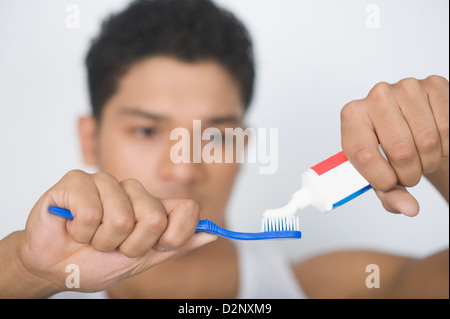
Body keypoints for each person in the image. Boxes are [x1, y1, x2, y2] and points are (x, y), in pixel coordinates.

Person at [0, 0, 448, 299]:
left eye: (214, 137)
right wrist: (26, 272)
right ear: (89, 137)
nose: (183, 167)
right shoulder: (33, 282)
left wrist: (442, 149)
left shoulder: (333, 288)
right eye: (146, 131)